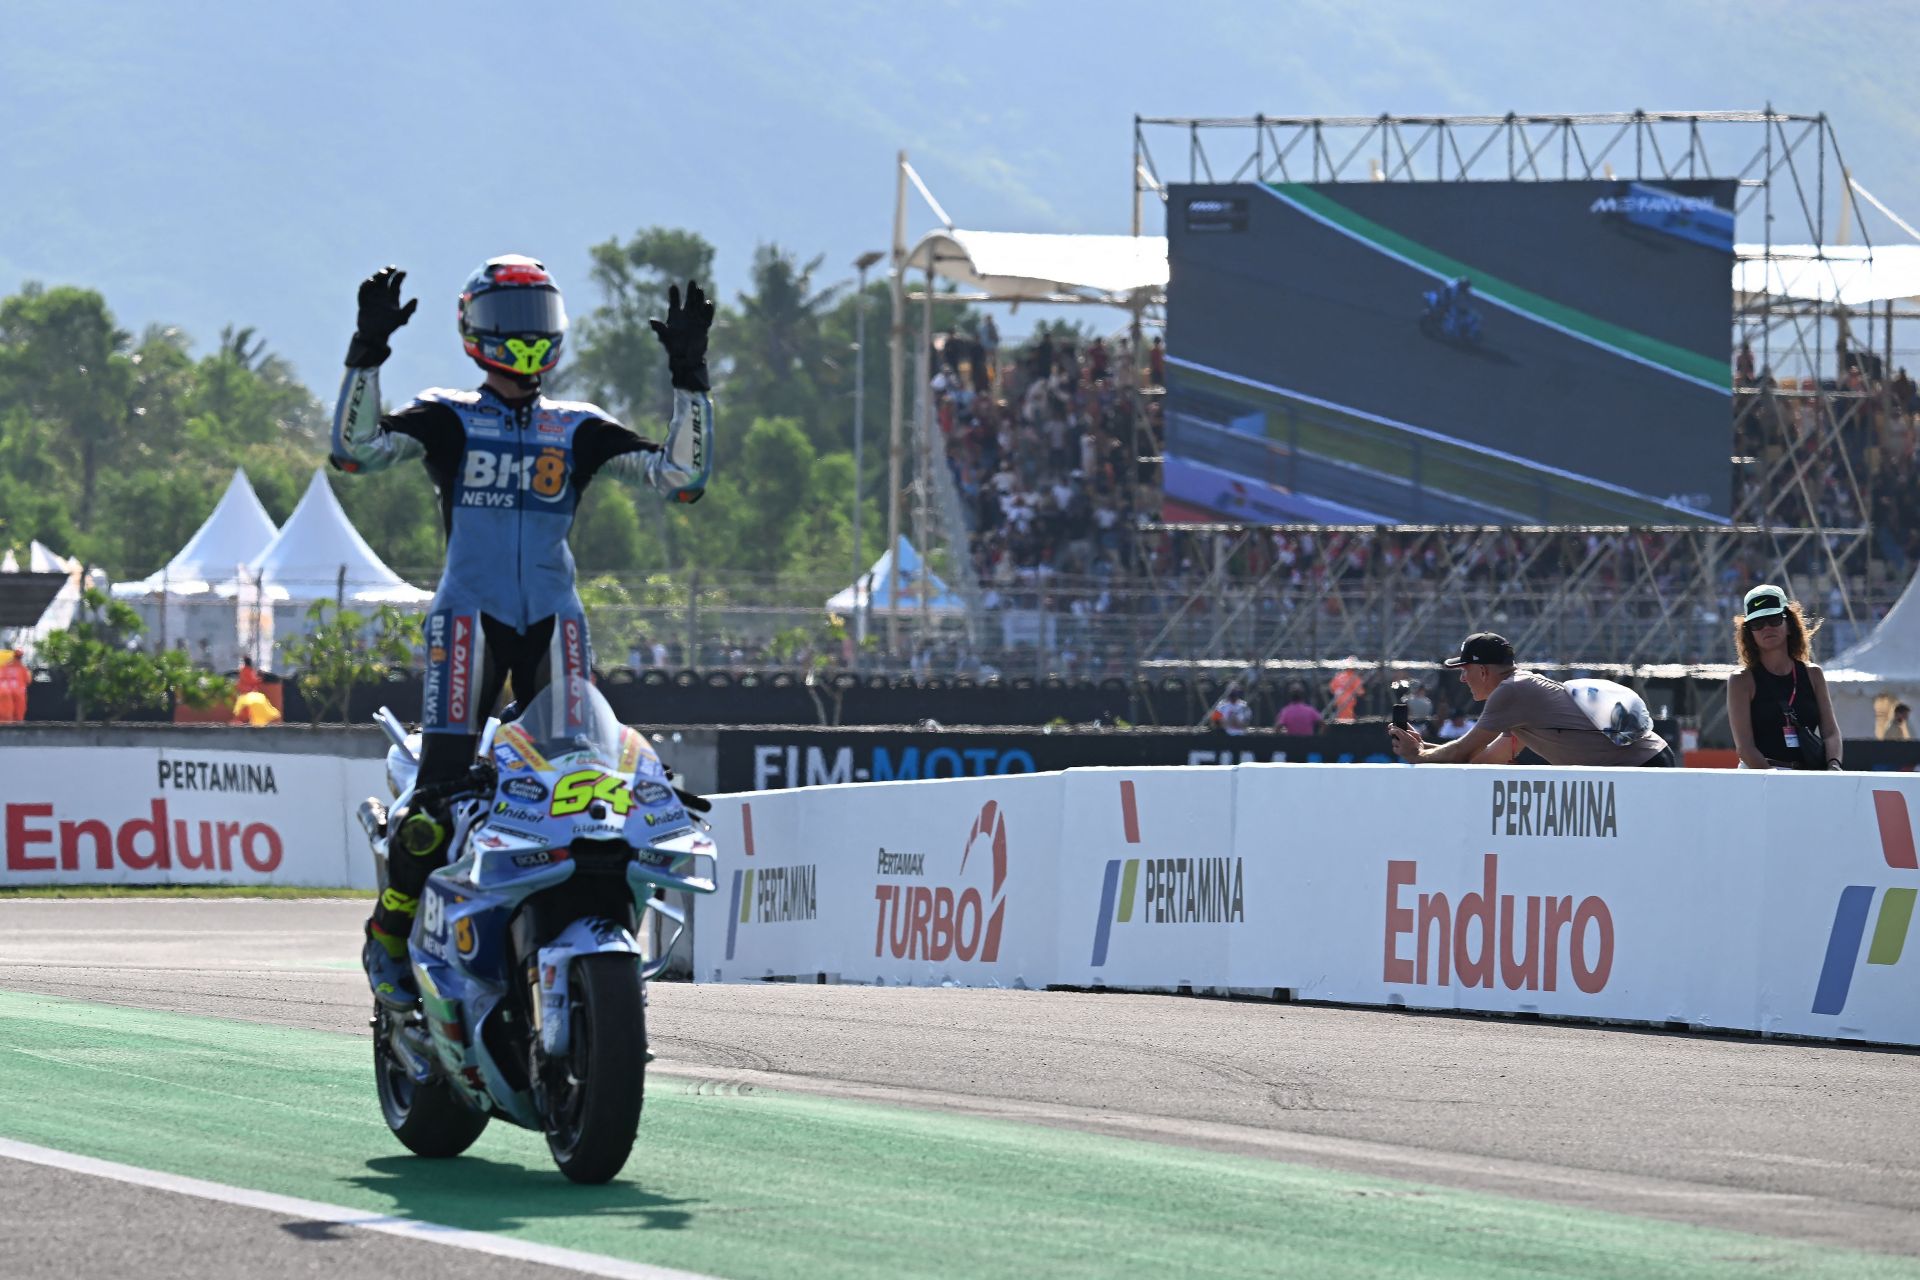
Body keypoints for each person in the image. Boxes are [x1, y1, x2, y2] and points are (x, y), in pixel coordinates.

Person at [331, 257, 715, 1006]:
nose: (525, 340)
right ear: (475, 331)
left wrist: (691, 377)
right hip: (466, 620)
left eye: (537, 323)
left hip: (555, 622)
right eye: (510, 324)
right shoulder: (447, 415)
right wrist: (365, 352)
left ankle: (572, 929)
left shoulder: (577, 426)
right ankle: (390, 930)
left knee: (587, 788)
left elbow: (683, 479)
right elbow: (356, 452)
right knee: (436, 803)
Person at [1390, 632, 1674, 767]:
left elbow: (1463, 752)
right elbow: (1485, 761)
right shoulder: (1521, 699)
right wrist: (1423, 746)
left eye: (1465, 670)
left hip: (1645, 765)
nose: (1462, 679)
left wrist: (1418, 755)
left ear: (1483, 670)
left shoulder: (1512, 691)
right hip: (1648, 761)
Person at [1726, 584, 1842, 771]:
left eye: (1774, 619)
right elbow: (1744, 748)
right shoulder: (1741, 680)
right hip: (1760, 777)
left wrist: (1834, 765)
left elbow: (1830, 732)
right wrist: (1775, 779)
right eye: (1757, 624)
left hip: (1808, 778)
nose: (1766, 628)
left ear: (1789, 624)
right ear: (1749, 633)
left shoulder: (1813, 674)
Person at [0, 649, 27, 723]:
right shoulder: (22, 668)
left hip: (4, 693)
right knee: (17, 719)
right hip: (18, 694)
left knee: (5, 719)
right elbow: (28, 680)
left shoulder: (2, 667)